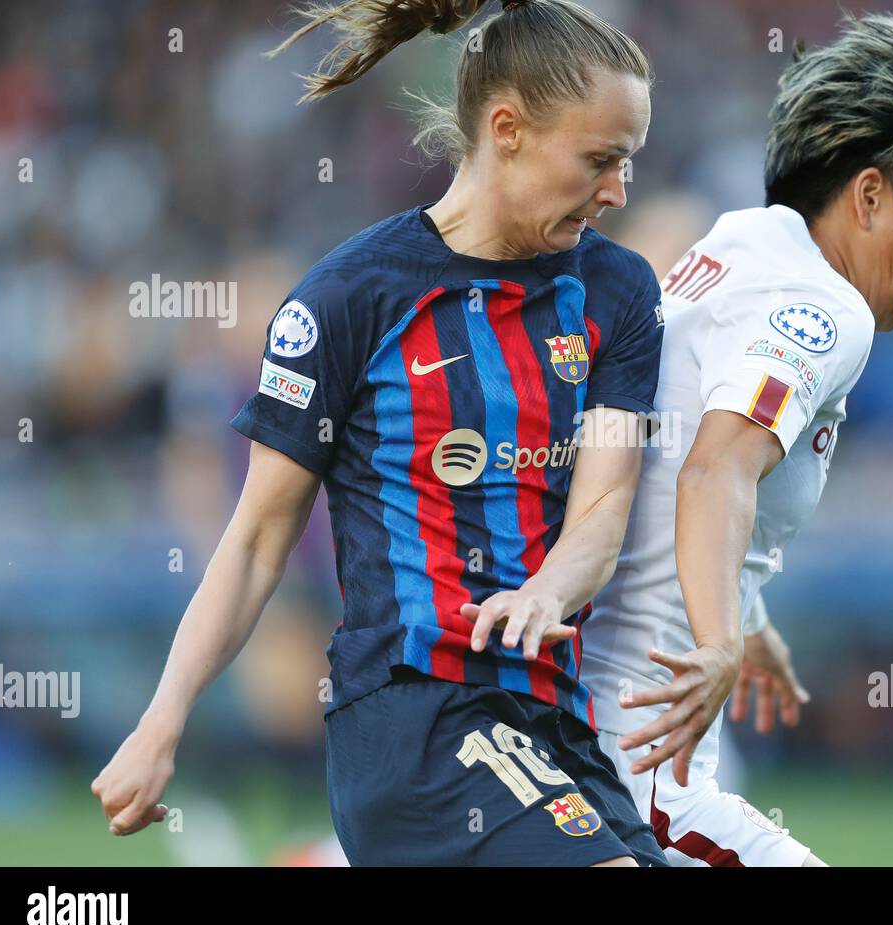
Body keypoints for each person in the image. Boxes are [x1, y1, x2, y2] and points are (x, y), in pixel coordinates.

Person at [92, 0, 668, 867]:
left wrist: (547, 593)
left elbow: (603, 510)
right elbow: (254, 541)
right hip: (415, 719)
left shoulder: (619, 293)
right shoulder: (351, 298)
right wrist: (160, 723)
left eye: (627, 163)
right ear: (507, 129)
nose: (619, 190)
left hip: (553, 715)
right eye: (601, 159)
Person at [580, 12, 893, 866]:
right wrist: (722, 640)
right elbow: (714, 465)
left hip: (585, 705)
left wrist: (747, 617)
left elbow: (675, 436)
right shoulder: (829, 311)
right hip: (636, 753)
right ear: (871, 195)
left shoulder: (736, 244)